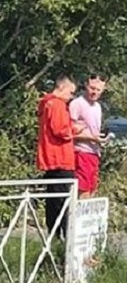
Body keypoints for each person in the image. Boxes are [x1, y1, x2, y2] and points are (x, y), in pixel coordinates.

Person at [36, 76, 81, 240]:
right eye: (71, 92)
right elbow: (61, 130)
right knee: (63, 203)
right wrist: (75, 129)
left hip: (51, 159)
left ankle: (54, 236)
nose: (72, 96)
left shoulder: (46, 103)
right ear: (62, 88)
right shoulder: (57, 104)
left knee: (53, 201)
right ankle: (63, 239)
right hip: (60, 159)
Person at [69, 75, 109, 199]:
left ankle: (87, 218)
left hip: (95, 152)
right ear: (86, 85)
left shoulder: (98, 107)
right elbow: (69, 131)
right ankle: (76, 217)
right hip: (81, 152)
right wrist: (90, 138)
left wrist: (100, 139)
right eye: (92, 88)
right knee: (83, 190)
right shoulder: (77, 104)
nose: (94, 92)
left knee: (92, 189)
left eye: (98, 90)